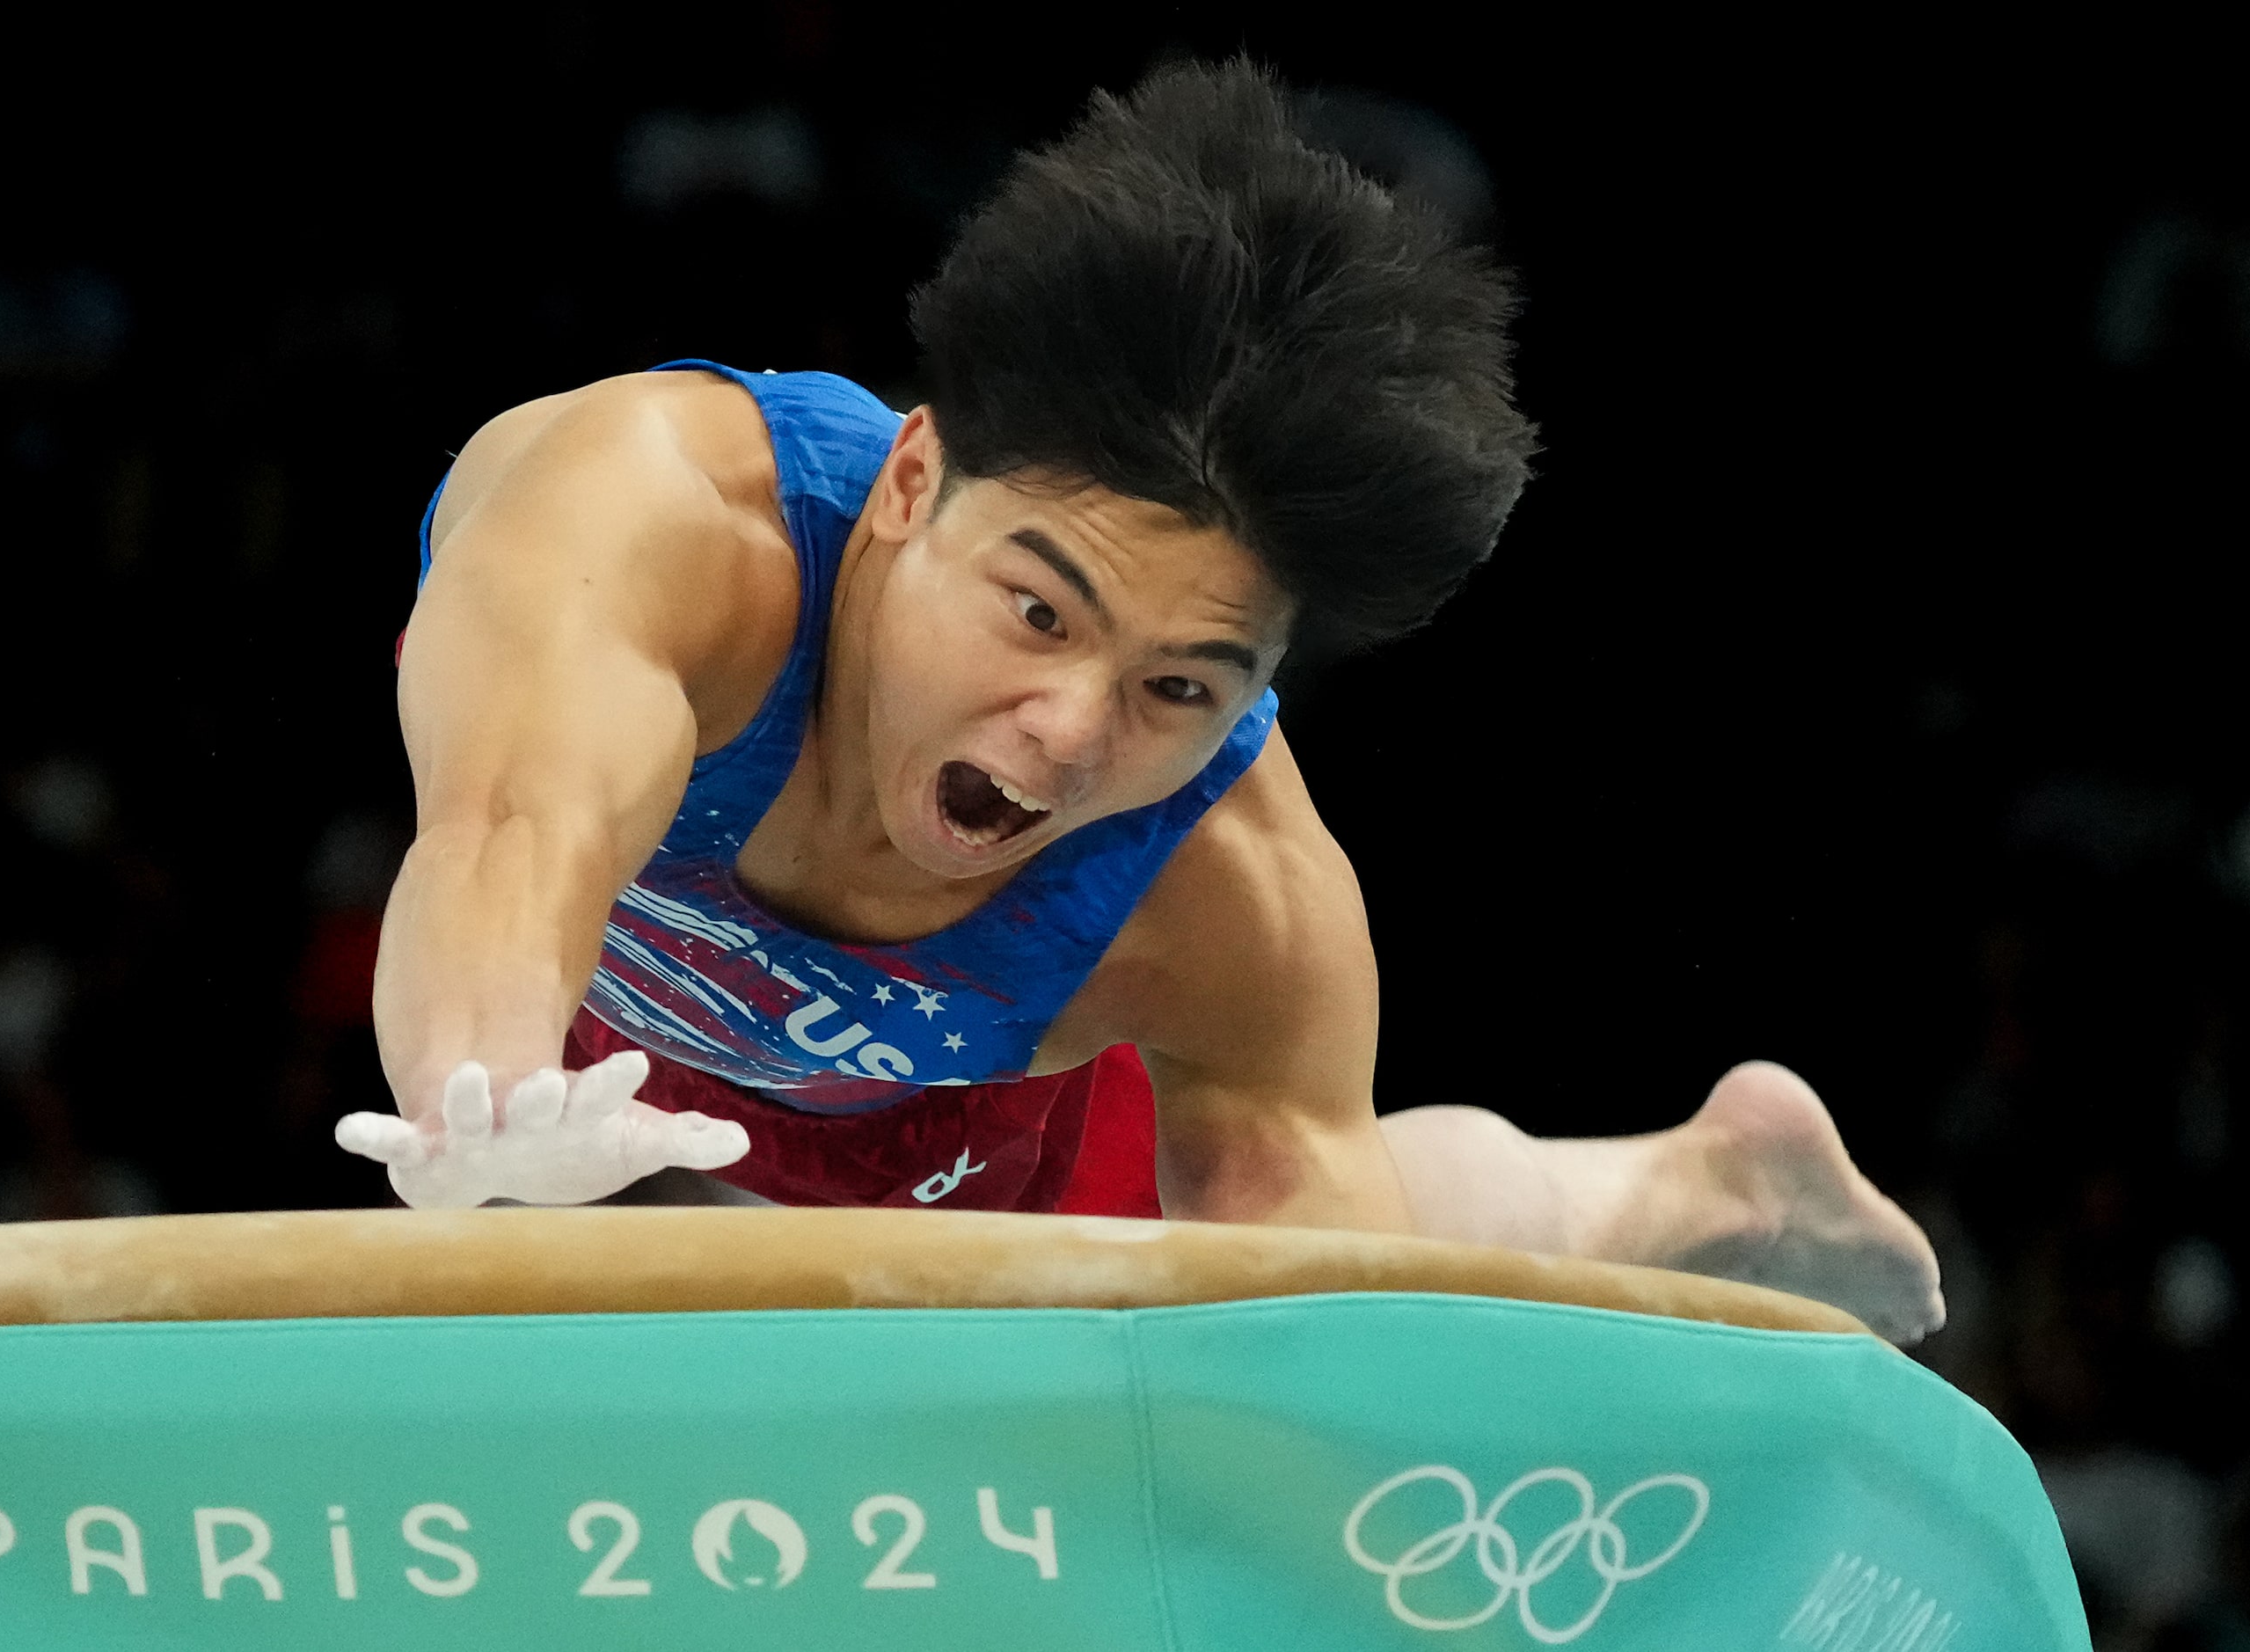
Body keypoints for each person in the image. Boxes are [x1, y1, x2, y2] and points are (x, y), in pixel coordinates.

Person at [335, 60, 1944, 1343]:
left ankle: (1693, 1187)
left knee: (1323, 1237)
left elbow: (1310, 1298)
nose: (1070, 730)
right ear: (908, 478)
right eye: (1039, 608)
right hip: (592, 1048)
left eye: (1182, 683)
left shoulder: (1216, 881)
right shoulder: (655, 530)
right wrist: (484, 1100)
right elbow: (508, 840)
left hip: (962, 1105)